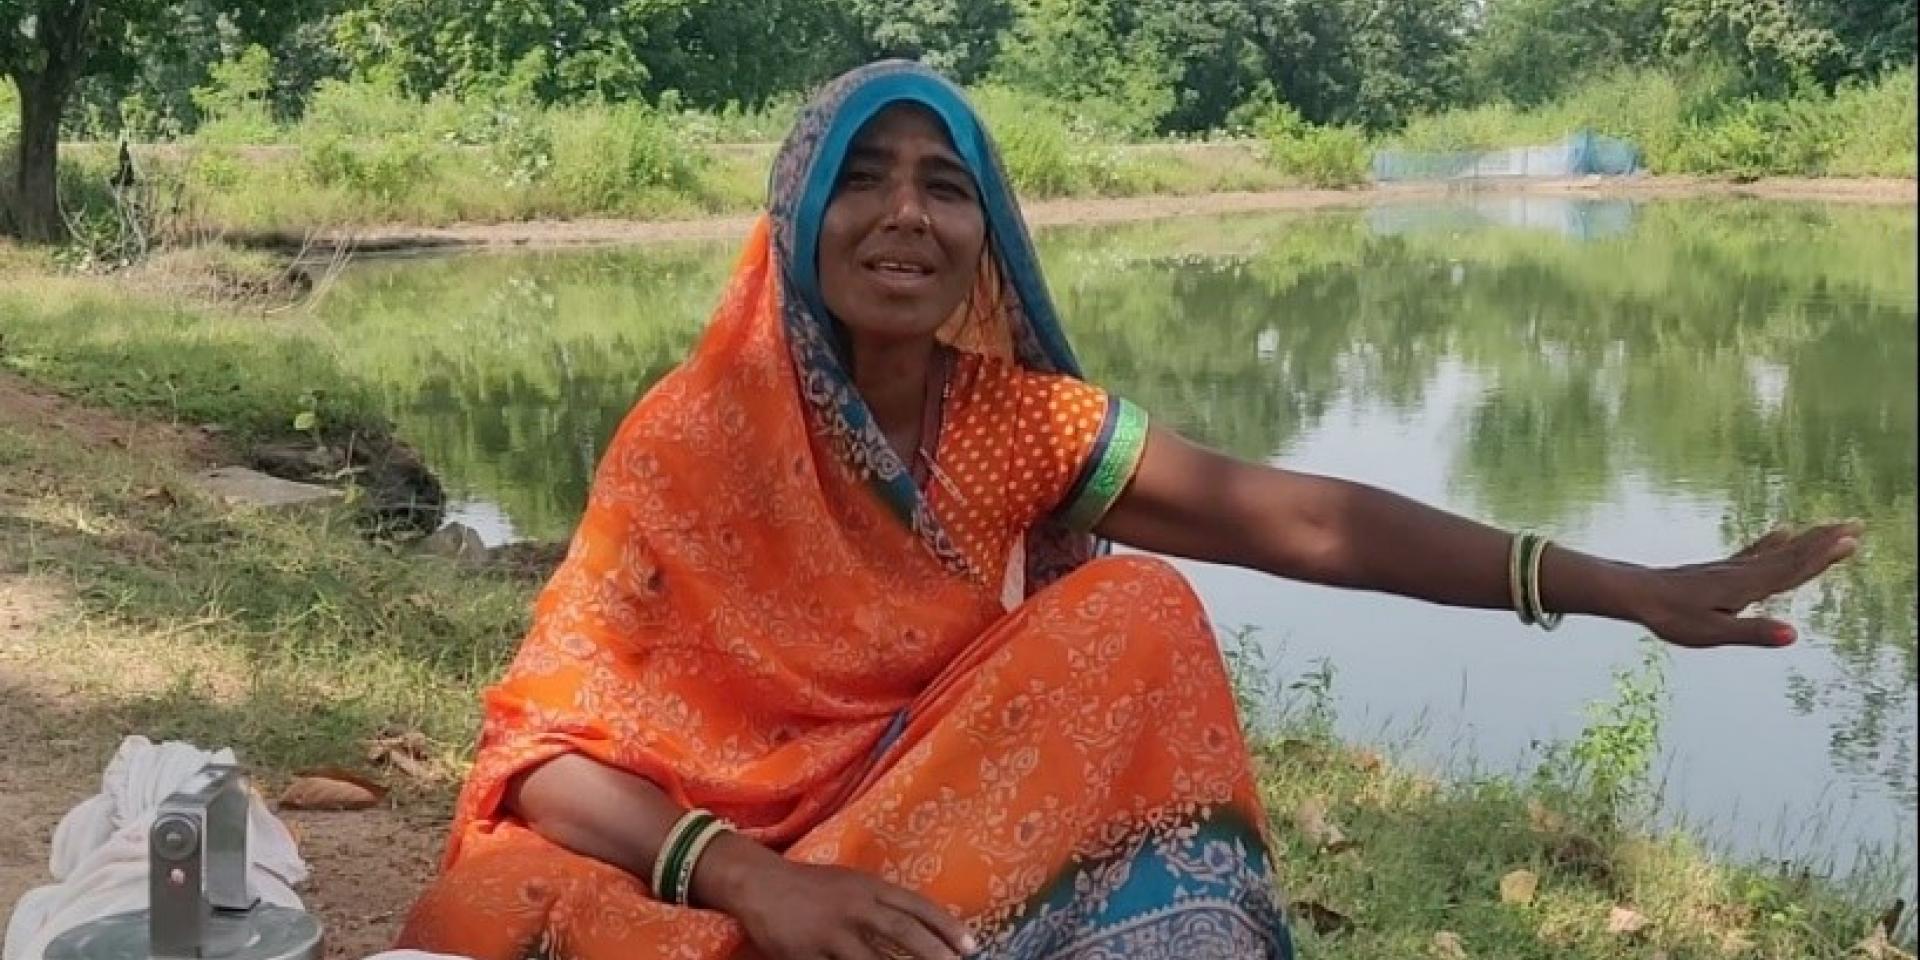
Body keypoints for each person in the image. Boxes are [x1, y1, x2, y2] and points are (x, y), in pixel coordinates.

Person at [394, 61, 1861, 960]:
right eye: (866, 181)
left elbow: (1296, 520)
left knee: (1131, 613)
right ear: (797, 217)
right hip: (697, 866)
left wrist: (1619, 585)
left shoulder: (1010, 418)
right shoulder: (689, 438)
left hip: (905, 840)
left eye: (946, 187)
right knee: (491, 919)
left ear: (986, 240)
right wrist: (748, 882)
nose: (905, 214)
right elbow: (539, 766)